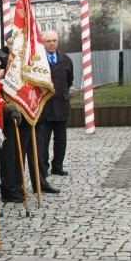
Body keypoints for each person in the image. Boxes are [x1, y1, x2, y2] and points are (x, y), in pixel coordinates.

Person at [37, 30, 74, 179]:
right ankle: (43, 167)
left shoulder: (66, 60)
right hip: (45, 107)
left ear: (58, 42)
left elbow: (69, 80)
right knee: (43, 141)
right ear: (43, 43)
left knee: (60, 139)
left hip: (61, 106)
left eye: (54, 41)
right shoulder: (38, 60)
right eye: (48, 41)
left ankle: (58, 166)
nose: (52, 44)